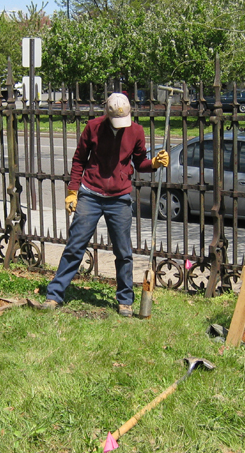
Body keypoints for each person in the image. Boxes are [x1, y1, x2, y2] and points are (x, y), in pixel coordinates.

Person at [40, 92, 169, 317]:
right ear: (107, 114)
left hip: (119, 198)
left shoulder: (136, 131)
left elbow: (140, 163)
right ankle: (54, 295)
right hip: (90, 194)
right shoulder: (93, 127)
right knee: (75, 246)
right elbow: (79, 159)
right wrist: (72, 191)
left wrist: (155, 164)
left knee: (123, 251)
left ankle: (125, 300)